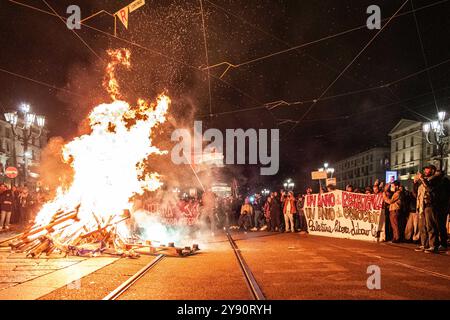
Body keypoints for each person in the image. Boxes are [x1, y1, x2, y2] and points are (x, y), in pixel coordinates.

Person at [416, 165, 449, 253]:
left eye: (428, 170)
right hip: (427, 205)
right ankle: (431, 244)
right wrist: (416, 182)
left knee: (435, 226)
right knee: (429, 226)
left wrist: (423, 180)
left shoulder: (441, 181)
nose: (425, 172)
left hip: (435, 205)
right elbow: (418, 192)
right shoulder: (431, 181)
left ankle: (436, 245)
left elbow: (430, 189)